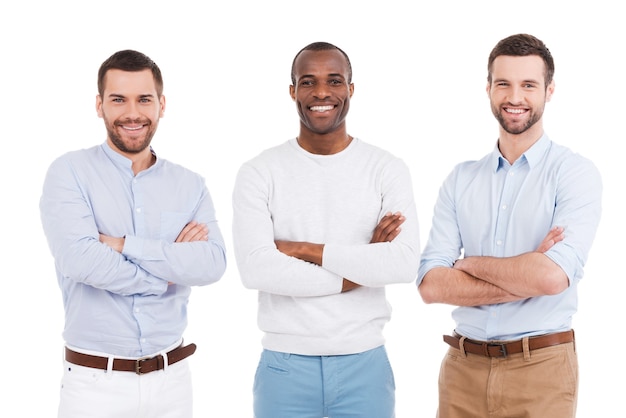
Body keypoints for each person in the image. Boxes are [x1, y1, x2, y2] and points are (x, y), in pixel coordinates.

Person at [417, 33, 602, 417]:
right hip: (462, 371)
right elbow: (432, 285)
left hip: (541, 369)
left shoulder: (574, 174)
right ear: (488, 89)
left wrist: (468, 263)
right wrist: (526, 268)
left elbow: (551, 279)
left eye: (528, 85)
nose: (515, 97)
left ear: (549, 91)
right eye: (503, 84)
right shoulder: (460, 179)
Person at [232, 41, 420, 418]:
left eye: (334, 81)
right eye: (308, 82)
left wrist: (304, 250)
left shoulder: (386, 168)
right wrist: (357, 271)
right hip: (285, 366)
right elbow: (256, 269)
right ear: (292, 92)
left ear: (351, 89)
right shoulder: (259, 172)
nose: (321, 92)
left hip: (364, 364)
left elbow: (401, 264)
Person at [40, 49, 227, 418]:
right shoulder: (70, 173)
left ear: (161, 104)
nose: (132, 113)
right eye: (118, 100)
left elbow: (212, 264)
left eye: (144, 99)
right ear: (99, 105)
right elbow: (81, 260)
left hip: (173, 381)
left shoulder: (190, 185)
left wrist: (123, 245)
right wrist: (166, 272)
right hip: (95, 386)